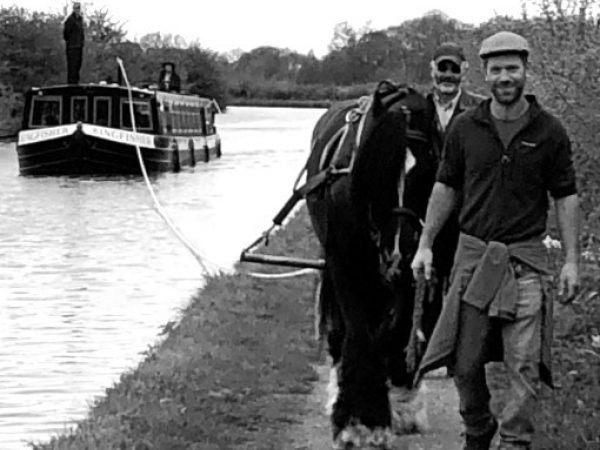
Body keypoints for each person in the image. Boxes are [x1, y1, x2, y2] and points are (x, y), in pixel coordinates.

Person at [411, 31, 580, 450]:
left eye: (512, 68)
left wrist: (572, 261)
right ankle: (478, 424)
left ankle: (514, 440)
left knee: (524, 365)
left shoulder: (550, 131)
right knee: (464, 363)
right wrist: (426, 244)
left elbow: (565, 196)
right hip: (474, 264)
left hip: (526, 265)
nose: (505, 77)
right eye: (497, 69)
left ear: (525, 71)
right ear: (484, 74)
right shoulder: (466, 128)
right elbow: (446, 187)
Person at [63, 2, 85, 84]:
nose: (77, 10)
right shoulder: (70, 20)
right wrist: (71, 41)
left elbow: (81, 32)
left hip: (79, 46)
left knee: (78, 65)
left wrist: (82, 41)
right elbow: (66, 34)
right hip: (72, 47)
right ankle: (71, 83)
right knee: (72, 66)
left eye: (78, 8)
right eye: (76, 8)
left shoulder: (80, 19)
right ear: (73, 9)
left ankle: (76, 82)